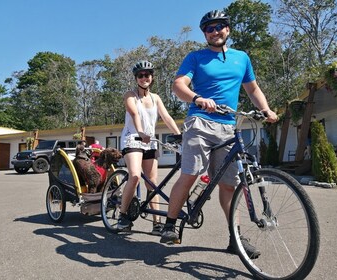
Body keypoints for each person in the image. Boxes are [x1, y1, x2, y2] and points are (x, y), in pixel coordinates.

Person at [159, 10, 278, 258]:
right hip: (200, 121)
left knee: (229, 185)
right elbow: (179, 85)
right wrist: (198, 98)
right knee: (191, 173)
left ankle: (235, 238)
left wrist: (265, 109)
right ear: (205, 34)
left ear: (228, 29)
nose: (215, 32)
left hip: (227, 126)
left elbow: (253, 88)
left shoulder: (241, 58)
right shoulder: (196, 58)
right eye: (209, 29)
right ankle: (170, 225)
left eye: (219, 27)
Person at [119, 60, 181, 235]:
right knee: (135, 176)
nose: (144, 78)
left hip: (150, 141)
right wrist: (140, 131)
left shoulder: (156, 98)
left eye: (147, 75)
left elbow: (167, 117)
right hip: (133, 139)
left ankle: (157, 223)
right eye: (140, 75)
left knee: (152, 184)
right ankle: (123, 216)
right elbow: (134, 113)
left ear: (152, 77)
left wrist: (179, 135)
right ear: (136, 78)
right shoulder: (130, 95)